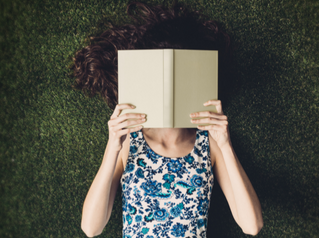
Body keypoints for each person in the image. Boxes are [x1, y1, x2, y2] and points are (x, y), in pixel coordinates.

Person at [70, 2, 263, 237]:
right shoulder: (129, 142)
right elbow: (91, 228)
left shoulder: (209, 144)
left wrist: (225, 144)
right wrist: (112, 147)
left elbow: (252, 226)